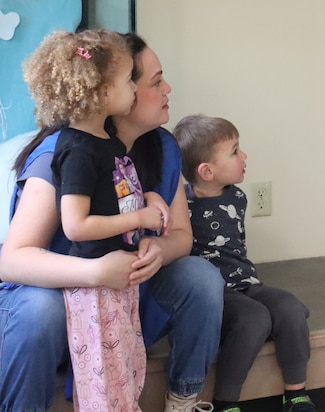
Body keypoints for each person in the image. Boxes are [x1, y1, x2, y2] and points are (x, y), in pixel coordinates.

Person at [0, 32, 224, 412]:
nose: (168, 88)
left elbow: (182, 237)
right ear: (112, 94)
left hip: (122, 289)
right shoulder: (61, 155)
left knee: (201, 277)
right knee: (41, 312)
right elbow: (12, 260)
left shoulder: (161, 146)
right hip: (57, 294)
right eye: (155, 82)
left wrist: (158, 250)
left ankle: (183, 400)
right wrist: (96, 273)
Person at [20, 29, 171, 410]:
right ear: (103, 92)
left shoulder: (109, 143)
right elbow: (76, 225)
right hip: (94, 288)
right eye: (127, 81)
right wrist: (138, 216)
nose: (134, 90)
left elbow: (118, 192)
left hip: (119, 283)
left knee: (127, 370)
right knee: (104, 381)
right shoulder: (77, 152)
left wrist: (149, 195)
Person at [173, 114, 316, 412]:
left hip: (245, 282)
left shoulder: (237, 196)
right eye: (235, 151)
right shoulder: (181, 206)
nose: (244, 156)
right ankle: (226, 402)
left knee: (289, 307)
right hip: (214, 294)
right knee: (254, 318)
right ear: (207, 171)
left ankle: (296, 393)